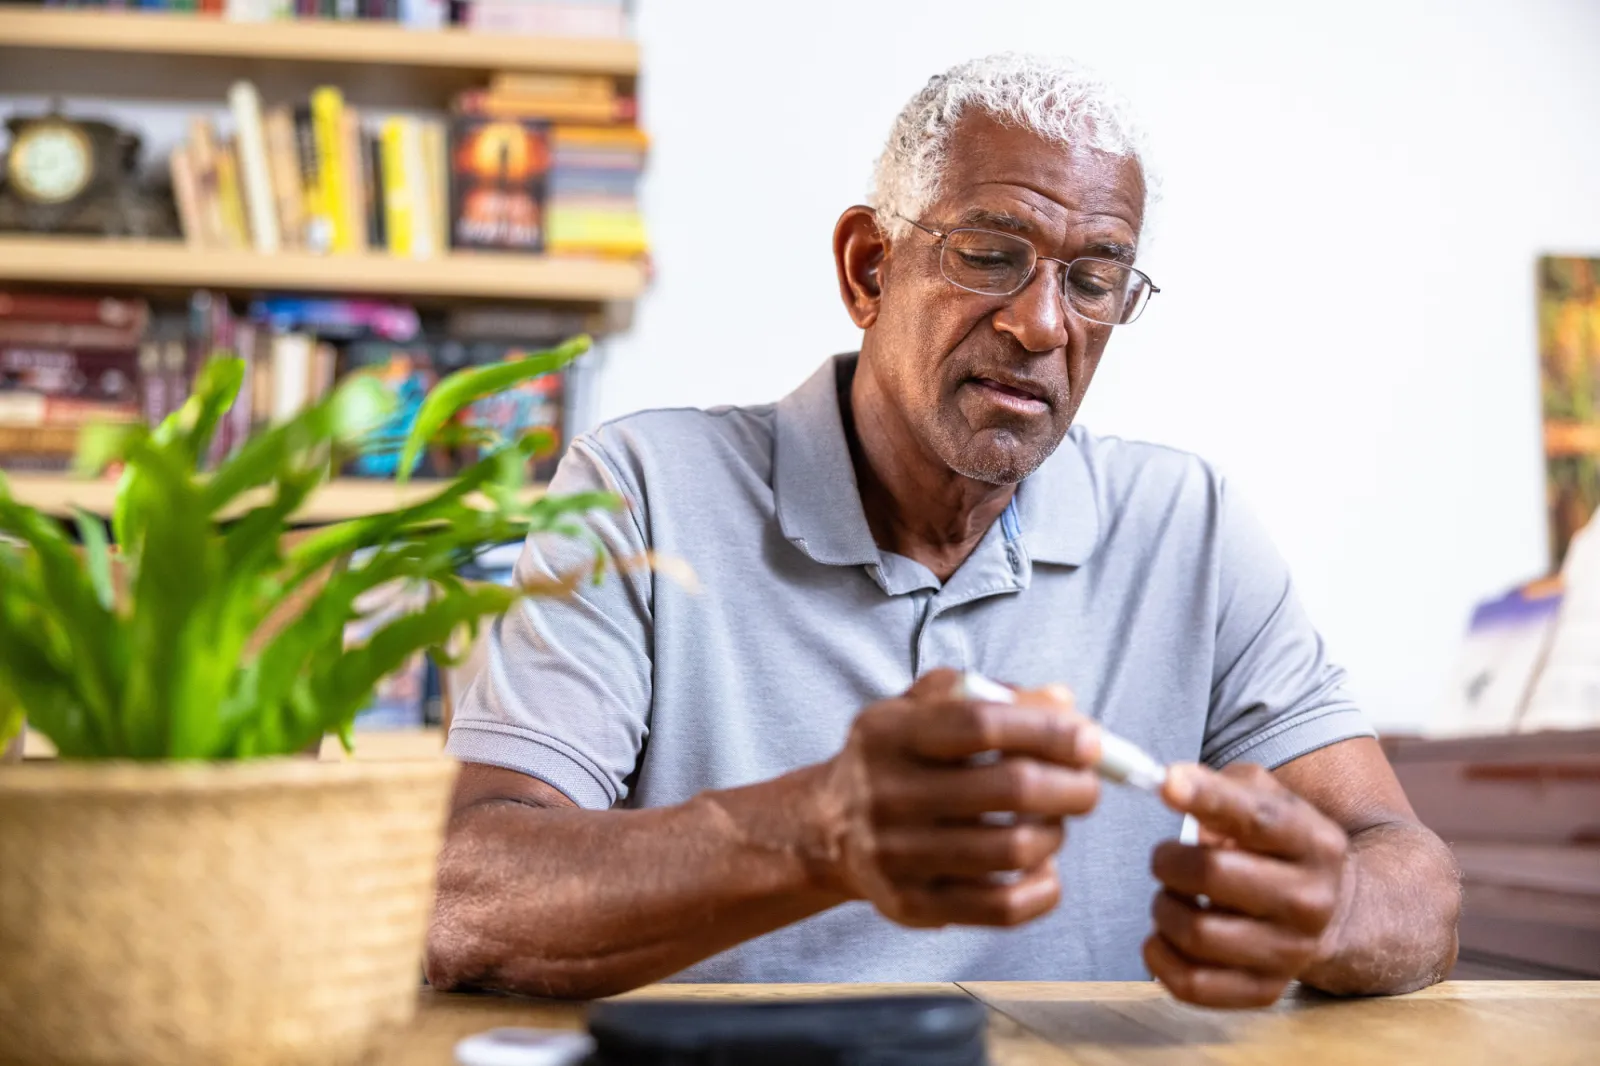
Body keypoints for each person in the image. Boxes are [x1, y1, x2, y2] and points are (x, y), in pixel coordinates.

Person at [426, 53, 1461, 1006]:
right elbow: (465, 893)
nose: (1044, 324)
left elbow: (1409, 872)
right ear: (868, 269)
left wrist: (1333, 911)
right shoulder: (643, 490)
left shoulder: (1186, 526)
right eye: (990, 254)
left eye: (1093, 279)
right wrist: (817, 828)